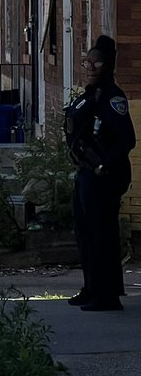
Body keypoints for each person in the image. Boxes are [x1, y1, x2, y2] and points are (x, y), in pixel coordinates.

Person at [65, 36, 136, 312]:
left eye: (97, 61)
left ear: (108, 65)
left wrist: (104, 165)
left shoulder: (112, 96)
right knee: (85, 233)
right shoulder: (91, 94)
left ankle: (107, 296)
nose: (91, 66)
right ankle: (92, 287)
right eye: (88, 61)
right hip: (86, 172)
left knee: (101, 234)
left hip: (103, 176)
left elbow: (126, 138)